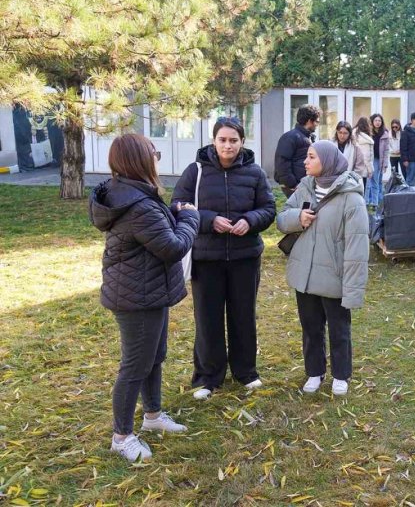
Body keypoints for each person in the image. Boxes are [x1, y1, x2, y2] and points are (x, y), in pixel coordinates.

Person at [89, 134, 200, 462]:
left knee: (154, 356)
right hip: (136, 296)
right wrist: (191, 217)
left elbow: (158, 235)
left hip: (147, 291)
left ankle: (152, 416)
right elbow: (172, 247)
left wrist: (174, 214)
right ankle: (121, 436)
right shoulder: (138, 205)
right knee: (135, 365)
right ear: (140, 159)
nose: (157, 159)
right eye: (155, 153)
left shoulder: (133, 194)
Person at [172, 117, 276, 400]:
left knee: (243, 316)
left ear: (242, 142)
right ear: (213, 141)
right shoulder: (195, 172)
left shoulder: (255, 173)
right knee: (208, 319)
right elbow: (178, 206)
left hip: (245, 258)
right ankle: (208, 376)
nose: (227, 145)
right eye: (222, 140)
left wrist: (249, 220)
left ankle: (246, 372)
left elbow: (268, 208)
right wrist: (207, 220)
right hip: (207, 258)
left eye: (233, 140)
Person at [276, 141, 369, 396]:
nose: (305, 162)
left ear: (327, 161)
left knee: (339, 330)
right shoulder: (305, 187)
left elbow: (357, 250)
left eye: (311, 157)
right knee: (310, 327)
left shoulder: (351, 198)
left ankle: (341, 374)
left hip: (333, 278)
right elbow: (282, 219)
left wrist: (352, 290)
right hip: (304, 275)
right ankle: (314, 372)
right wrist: (298, 218)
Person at [274, 105, 319, 198]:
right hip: (295, 188)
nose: (317, 125)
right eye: (316, 121)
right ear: (310, 121)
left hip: (304, 186)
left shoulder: (308, 138)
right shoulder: (289, 137)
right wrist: (292, 185)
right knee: (299, 212)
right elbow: (282, 164)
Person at [333, 121, 367, 187]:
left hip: (350, 182)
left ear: (349, 134)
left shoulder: (355, 147)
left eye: (345, 133)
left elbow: (359, 168)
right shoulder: (331, 145)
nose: (342, 136)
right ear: (337, 132)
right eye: (340, 132)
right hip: (333, 181)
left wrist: (350, 179)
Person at [366, 113, 390, 206]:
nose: (377, 122)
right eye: (376, 120)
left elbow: (386, 151)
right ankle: (366, 202)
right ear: (372, 121)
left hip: (377, 159)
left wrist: (385, 165)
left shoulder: (385, 133)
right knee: (367, 182)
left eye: (379, 120)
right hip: (368, 159)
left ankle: (375, 203)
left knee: (375, 181)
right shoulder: (368, 132)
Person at [352, 117, 375, 193]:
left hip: (353, 167)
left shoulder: (353, 134)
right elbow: (366, 157)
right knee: (362, 190)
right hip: (362, 169)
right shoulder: (366, 139)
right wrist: (370, 170)